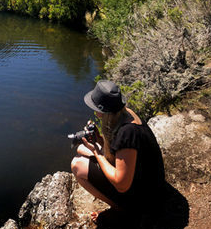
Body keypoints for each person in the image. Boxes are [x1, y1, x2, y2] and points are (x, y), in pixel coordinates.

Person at [71, 80, 166, 220]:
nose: (96, 113)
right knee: (81, 148)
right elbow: (119, 150)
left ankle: (120, 209)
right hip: (143, 177)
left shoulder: (127, 133)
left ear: (103, 111)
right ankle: (121, 206)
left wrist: (97, 153)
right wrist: (99, 140)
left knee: (77, 165)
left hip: (146, 196)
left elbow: (122, 185)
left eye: (97, 109)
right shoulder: (127, 114)